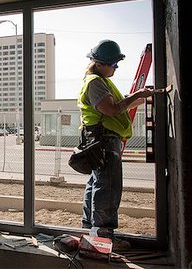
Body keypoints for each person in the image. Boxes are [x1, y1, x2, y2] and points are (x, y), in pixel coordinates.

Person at [78, 39, 153, 250]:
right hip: (103, 139)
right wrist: (137, 96)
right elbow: (111, 110)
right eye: (114, 64)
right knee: (107, 187)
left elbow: (119, 105)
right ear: (100, 63)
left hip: (101, 139)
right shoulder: (95, 82)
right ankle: (103, 236)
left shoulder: (101, 81)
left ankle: (91, 230)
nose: (116, 68)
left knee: (97, 183)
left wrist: (142, 97)